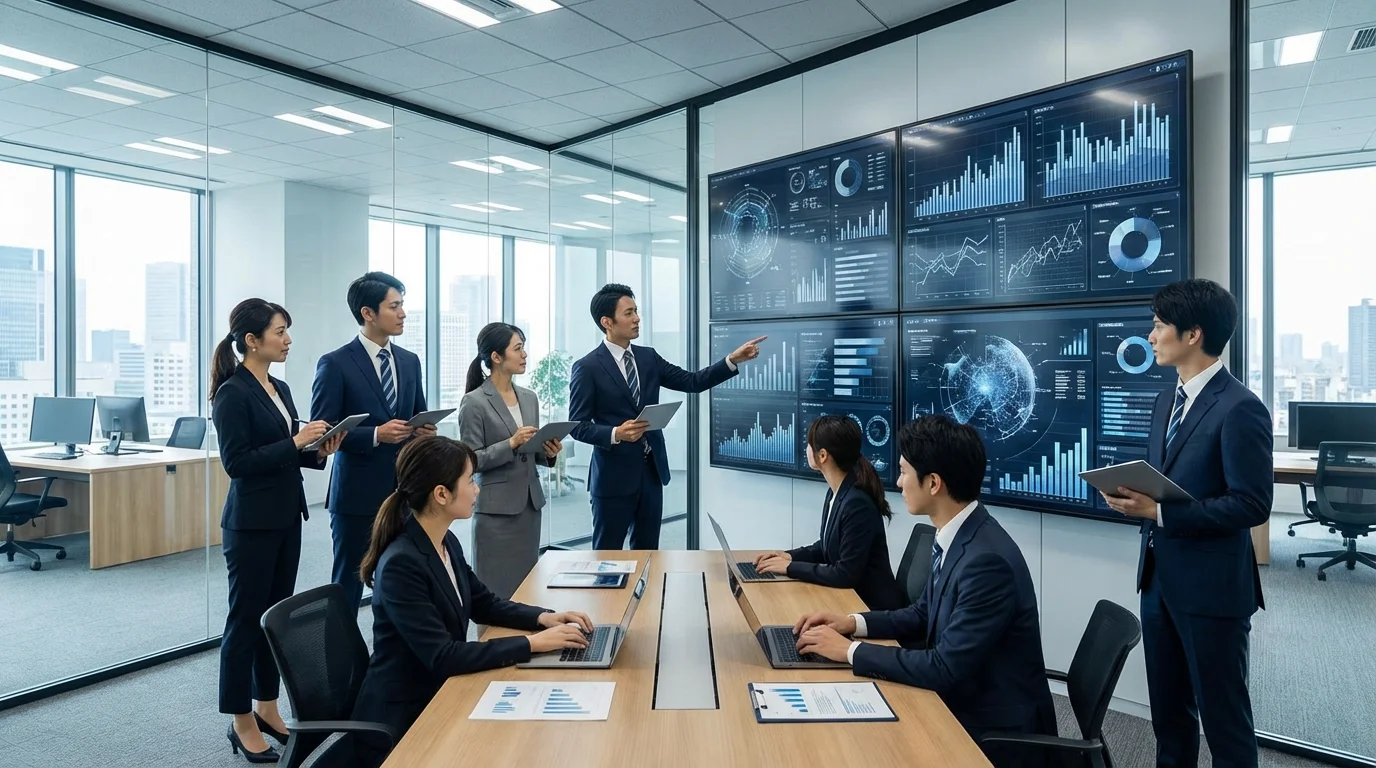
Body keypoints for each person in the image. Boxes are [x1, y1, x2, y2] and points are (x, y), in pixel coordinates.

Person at [794, 415, 1055, 768]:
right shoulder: (961, 534)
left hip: (989, 729)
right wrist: (852, 623)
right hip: (963, 697)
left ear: (933, 483)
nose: (898, 482)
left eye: (903, 471)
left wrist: (850, 651)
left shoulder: (986, 562)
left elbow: (944, 667)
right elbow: (922, 613)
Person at [1100, 279, 1270, 768]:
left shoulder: (1241, 408)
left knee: (1225, 724)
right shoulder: (1164, 402)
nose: (1150, 337)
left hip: (1213, 592)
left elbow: (1251, 504)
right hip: (1159, 582)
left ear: (1193, 334)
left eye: (1158, 327)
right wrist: (1137, 499)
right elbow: (1170, 482)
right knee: (1169, 720)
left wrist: (1159, 512)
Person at [351, 436, 592, 767]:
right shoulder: (401, 564)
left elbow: (484, 604)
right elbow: (443, 655)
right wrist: (532, 645)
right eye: (470, 480)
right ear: (441, 494)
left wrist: (544, 618)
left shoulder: (443, 540)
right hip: (404, 717)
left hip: (440, 691)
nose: (477, 489)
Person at [210, 299, 344, 764]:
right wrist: (295, 442)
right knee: (243, 623)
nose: (288, 340)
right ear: (252, 340)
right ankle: (240, 718)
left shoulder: (280, 388)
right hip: (250, 525)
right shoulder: (232, 392)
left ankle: (267, 706)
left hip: (287, 518)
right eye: (280, 331)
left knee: (271, 622)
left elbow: (292, 454)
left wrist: (322, 448)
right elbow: (238, 463)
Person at [568, 283, 764, 549]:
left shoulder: (648, 357)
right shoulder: (587, 367)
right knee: (607, 556)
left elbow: (692, 381)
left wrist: (731, 360)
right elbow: (577, 426)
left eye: (636, 311)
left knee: (648, 552)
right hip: (613, 479)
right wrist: (615, 433)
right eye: (628, 313)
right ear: (607, 322)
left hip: (651, 474)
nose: (637, 318)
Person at [311, 272, 436, 613]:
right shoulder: (335, 363)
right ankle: (341, 666)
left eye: (402, 306)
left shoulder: (410, 362)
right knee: (348, 584)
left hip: (405, 493)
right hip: (357, 496)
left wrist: (424, 430)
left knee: (405, 582)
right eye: (394, 306)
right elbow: (323, 429)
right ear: (368, 313)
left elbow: (417, 413)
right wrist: (376, 435)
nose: (403, 314)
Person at [752, 414, 905, 610]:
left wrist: (790, 569)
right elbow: (826, 547)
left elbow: (845, 573)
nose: (806, 449)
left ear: (823, 455)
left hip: (870, 607)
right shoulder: (837, 492)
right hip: (848, 599)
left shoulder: (857, 503)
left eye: (809, 444)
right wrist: (789, 557)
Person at [458, 322, 563, 599]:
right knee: (494, 590)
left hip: (530, 505)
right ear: (496, 357)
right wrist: (511, 443)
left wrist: (547, 452)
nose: (524, 354)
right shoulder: (474, 402)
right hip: (496, 512)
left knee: (528, 589)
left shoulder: (529, 398)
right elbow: (470, 460)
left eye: (524, 348)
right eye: (518, 349)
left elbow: (531, 452)